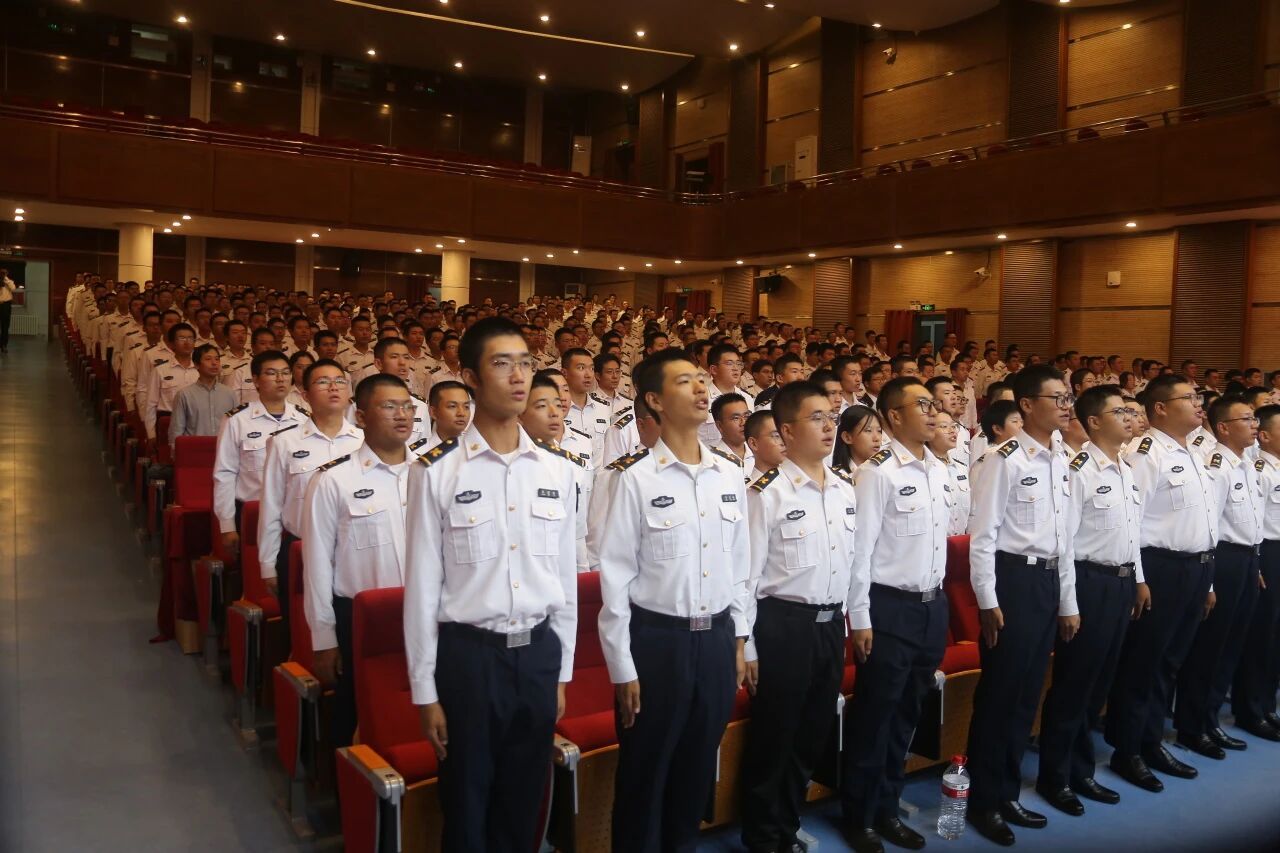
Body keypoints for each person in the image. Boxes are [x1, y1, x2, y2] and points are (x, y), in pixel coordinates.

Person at [404, 318, 578, 851]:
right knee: (466, 801)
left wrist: (562, 670)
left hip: (538, 653)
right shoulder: (437, 470)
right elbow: (422, 587)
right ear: (471, 377)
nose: (519, 376)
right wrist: (425, 689)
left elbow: (564, 580)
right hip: (471, 658)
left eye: (525, 363)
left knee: (524, 803)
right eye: (502, 364)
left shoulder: (557, 469)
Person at [597, 347, 750, 853]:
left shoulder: (728, 473)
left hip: (716, 640)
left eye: (701, 378)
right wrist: (622, 666)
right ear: (655, 401)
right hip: (658, 642)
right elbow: (615, 577)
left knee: (695, 769)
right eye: (685, 381)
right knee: (645, 772)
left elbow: (740, 565)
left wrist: (739, 639)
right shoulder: (634, 478)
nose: (702, 387)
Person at [739, 381, 855, 853]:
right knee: (776, 737)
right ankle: (763, 836)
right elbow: (745, 578)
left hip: (830, 626)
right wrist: (746, 645)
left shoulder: (844, 489)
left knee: (811, 735)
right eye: (816, 418)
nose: (829, 427)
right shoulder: (766, 494)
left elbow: (851, 565)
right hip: (783, 627)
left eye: (832, 417)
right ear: (786, 430)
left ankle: (786, 825)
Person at [965, 365, 1077, 846]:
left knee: (1028, 695)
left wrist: (1068, 601)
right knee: (1000, 696)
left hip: (1047, 581)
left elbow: (1064, 537)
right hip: (1013, 581)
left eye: (1068, 397)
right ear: (1027, 405)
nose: (1067, 405)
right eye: (1057, 398)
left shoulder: (1061, 457)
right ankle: (983, 801)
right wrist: (987, 600)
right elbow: (983, 536)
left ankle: (1007, 793)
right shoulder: (1004, 459)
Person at [841, 378, 950, 853]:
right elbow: (860, 552)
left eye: (932, 403)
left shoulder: (938, 470)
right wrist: (861, 617)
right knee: (876, 715)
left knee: (908, 714)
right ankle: (860, 815)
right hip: (889, 607)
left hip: (931, 606)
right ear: (894, 416)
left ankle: (887, 806)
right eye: (921, 404)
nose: (932, 410)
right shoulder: (877, 473)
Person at [1035, 386, 1147, 816]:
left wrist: (1138, 579)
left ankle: (1081, 771)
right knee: (1074, 684)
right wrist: (1069, 604)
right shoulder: (1078, 471)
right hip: (1088, 583)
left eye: (1130, 411)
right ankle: (1055, 777)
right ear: (1095, 421)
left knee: (1099, 682)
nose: (1129, 418)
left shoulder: (1125, 467)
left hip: (1120, 582)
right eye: (1119, 412)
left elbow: (1132, 532)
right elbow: (1064, 544)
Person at [1106, 376, 1218, 793]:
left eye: (1198, 396)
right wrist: (1139, 578)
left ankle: (1150, 742)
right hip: (1160, 568)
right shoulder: (1146, 454)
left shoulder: (1193, 452)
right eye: (1188, 398)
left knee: (1170, 661)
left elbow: (1203, 522)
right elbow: (1130, 522)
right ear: (1160, 408)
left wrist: (1208, 579)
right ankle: (1128, 749)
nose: (1198, 403)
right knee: (1144, 662)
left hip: (1196, 567)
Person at [303, 374, 414, 748]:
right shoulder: (333, 480)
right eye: (389, 406)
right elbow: (317, 564)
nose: (402, 414)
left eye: (407, 406)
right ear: (361, 416)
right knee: (356, 715)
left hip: (427, 613)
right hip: (362, 619)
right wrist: (323, 638)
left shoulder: (431, 474)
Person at [1174, 394, 1262, 759]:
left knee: (1231, 644)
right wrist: (1210, 580)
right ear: (1223, 427)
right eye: (1247, 419)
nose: (1255, 425)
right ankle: (1193, 725)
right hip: (1223, 560)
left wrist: (1255, 564)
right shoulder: (1217, 466)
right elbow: (1210, 525)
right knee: (1210, 647)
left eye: (1255, 419)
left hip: (1247, 559)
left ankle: (1210, 719)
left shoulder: (1246, 464)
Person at [257, 359, 363, 648]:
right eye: (323, 382)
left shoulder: (364, 441)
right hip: (300, 550)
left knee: (350, 638)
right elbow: (271, 505)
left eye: (339, 381)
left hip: (352, 552)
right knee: (305, 640)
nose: (333, 387)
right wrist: (268, 564)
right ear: (304, 394)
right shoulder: (285, 442)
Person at [213, 350, 308, 558]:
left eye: (285, 372)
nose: (280, 379)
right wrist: (227, 525)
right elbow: (225, 473)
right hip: (253, 512)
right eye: (272, 373)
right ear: (256, 380)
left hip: (296, 514)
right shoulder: (237, 420)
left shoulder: (304, 419)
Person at [1232, 404, 1280, 740]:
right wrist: (1259, 562)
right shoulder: (1259, 470)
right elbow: (1255, 521)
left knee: (1277, 637)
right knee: (1262, 634)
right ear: (1264, 436)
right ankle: (1250, 708)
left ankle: (1267, 704)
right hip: (1268, 553)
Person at [169, 344, 237, 453]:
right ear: (196, 365)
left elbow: (236, 427)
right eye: (208, 359)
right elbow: (177, 430)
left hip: (224, 453)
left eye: (217, 359)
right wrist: (176, 452)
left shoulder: (230, 394)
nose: (214, 363)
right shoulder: (184, 395)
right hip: (194, 452)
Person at [144, 322, 200, 443]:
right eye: (182, 338)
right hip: (168, 423)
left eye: (191, 338)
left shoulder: (200, 370)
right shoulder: (160, 370)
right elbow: (151, 404)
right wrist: (151, 434)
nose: (187, 342)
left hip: (197, 424)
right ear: (172, 343)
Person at [421, 380, 472, 452]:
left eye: (466, 407)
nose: (461, 413)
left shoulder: (479, 452)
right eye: (452, 406)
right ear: (433, 412)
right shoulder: (414, 454)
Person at [832, 405, 884, 476]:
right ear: (847, 437)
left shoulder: (886, 471)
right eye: (868, 430)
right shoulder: (836, 477)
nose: (877, 438)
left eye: (879, 431)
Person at [709, 392, 753, 470]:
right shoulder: (712, 460)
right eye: (736, 418)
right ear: (719, 425)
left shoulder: (759, 451)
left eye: (746, 416)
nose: (743, 422)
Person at [744, 409, 786, 485]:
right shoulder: (749, 489)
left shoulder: (794, 481)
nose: (784, 442)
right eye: (776, 436)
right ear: (753, 444)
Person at [0, 268, 17, 352]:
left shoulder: (9, 282)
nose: (3, 275)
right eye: (2, 273)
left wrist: (6, 280)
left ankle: (4, 345)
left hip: (6, 305)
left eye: (4, 273)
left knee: (5, 326)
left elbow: (13, 288)